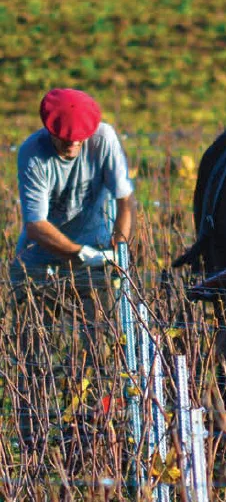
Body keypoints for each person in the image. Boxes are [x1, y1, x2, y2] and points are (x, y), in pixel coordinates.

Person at [9, 88, 135, 453]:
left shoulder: (105, 139)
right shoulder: (33, 154)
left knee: (101, 352)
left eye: (79, 140)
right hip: (38, 266)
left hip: (95, 262)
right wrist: (83, 253)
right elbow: (36, 226)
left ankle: (93, 439)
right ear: (50, 131)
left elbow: (125, 199)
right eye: (65, 140)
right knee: (32, 355)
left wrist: (119, 247)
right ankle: (31, 441)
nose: (73, 145)